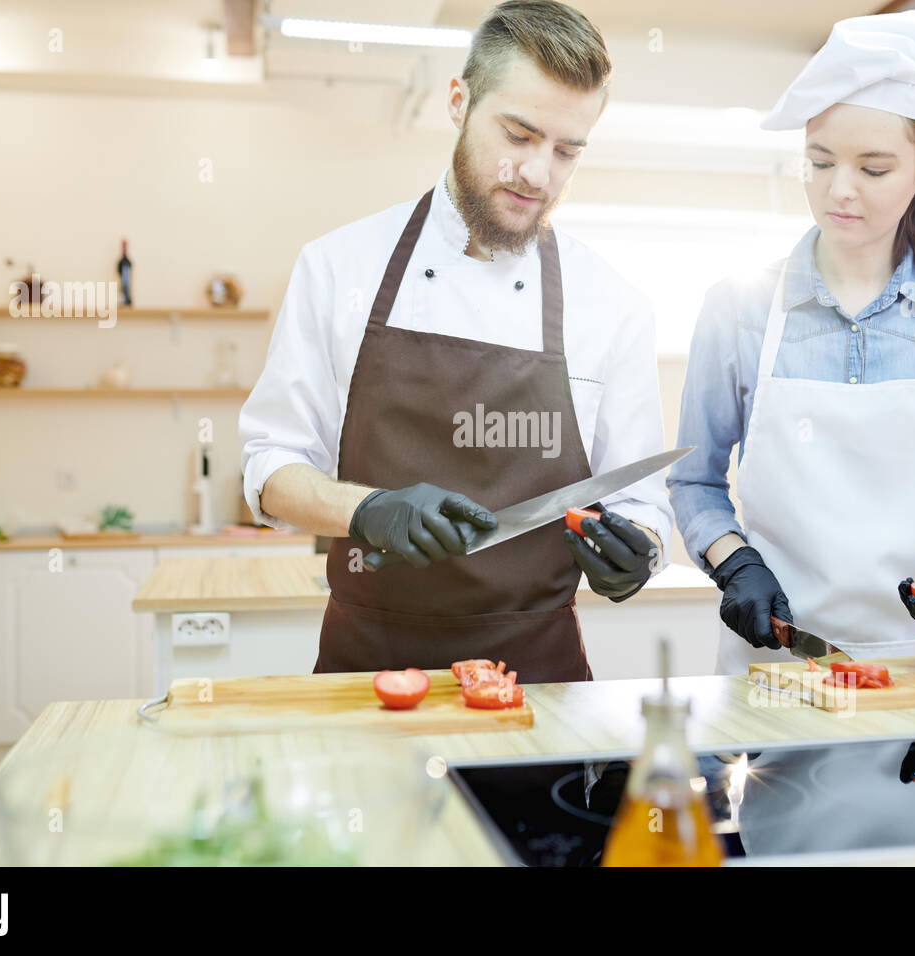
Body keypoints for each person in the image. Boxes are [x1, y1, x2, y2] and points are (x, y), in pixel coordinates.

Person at [239, 1, 672, 682]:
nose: (539, 174)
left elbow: (642, 501)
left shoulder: (612, 303)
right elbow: (270, 469)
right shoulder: (337, 267)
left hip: (540, 690)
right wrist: (369, 509)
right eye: (519, 134)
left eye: (567, 151)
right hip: (367, 680)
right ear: (458, 101)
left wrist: (638, 550)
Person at [669, 10, 915, 673]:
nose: (840, 190)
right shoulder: (737, 309)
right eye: (820, 161)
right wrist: (734, 562)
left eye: (874, 167)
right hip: (778, 665)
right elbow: (694, 483)